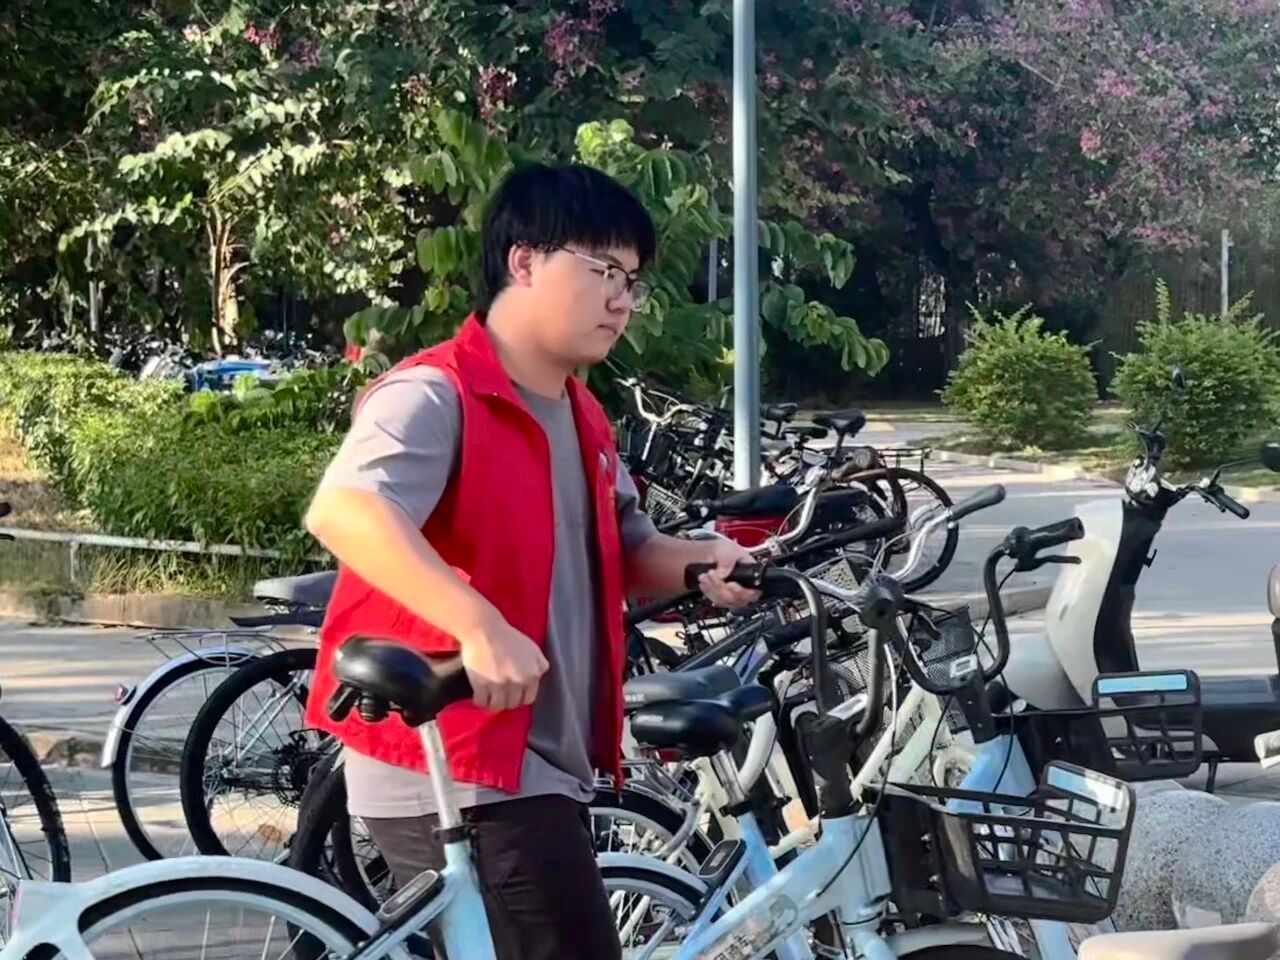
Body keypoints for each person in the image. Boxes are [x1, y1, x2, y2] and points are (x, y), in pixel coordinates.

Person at [302, 162, 757, 960]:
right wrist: (478, 626)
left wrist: (700, 562)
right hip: (458, 764)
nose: (622, 300)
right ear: (524, 261)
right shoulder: (434, 393)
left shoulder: (581, 415)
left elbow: (627, 549)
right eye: (603, 271)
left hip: (538, 764)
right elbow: (346, 510)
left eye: (632, 281)